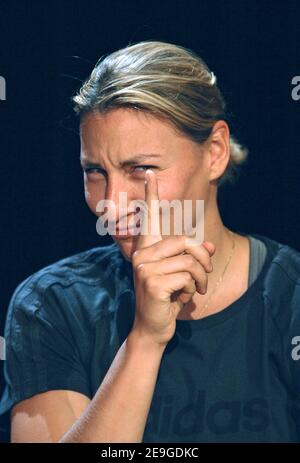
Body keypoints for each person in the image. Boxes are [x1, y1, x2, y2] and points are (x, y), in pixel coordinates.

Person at [0, 40, 300, 443]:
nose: (111, 203)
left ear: (215, 152)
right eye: (94, 171)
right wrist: (145, 340)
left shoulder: (290, 297)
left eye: (140, 168)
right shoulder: (51, 305)